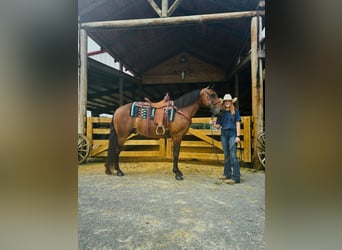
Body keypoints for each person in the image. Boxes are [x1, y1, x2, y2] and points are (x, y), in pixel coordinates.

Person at [214, 94, 241, 184]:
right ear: (224, 102)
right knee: (226, 154)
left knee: (233, 155)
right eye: (226, 101)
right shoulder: (221, 113)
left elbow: (237, 123)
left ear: (231, 102)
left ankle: (236, 177)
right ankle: (227, 174)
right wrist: (213, 124)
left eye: (229, 101)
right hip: (224, 134)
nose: (227, 102)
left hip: (232, 133)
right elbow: (218, 126)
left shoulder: (235, 111)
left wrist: (238, 136)